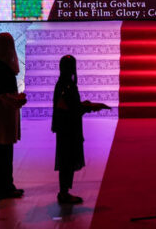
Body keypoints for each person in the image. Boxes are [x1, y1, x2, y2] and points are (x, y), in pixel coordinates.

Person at [52, 55, 109, 205]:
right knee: (66, 160)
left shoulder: (64, 84)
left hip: (66, 127)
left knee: (67, 159)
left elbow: (71, 106)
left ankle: (64, 191)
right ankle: (64, 193)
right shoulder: (66, 86)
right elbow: (69, 108)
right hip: (67, 128)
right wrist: (88, 107)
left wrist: (85, 106)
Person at [0, 33, 27, 200]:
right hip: (5, 110)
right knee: (4, 149)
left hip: (7, 109)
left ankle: (7, 185)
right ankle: (4, 188)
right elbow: (2, 93)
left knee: (7, 149)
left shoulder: (1, 64)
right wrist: (16, 100)